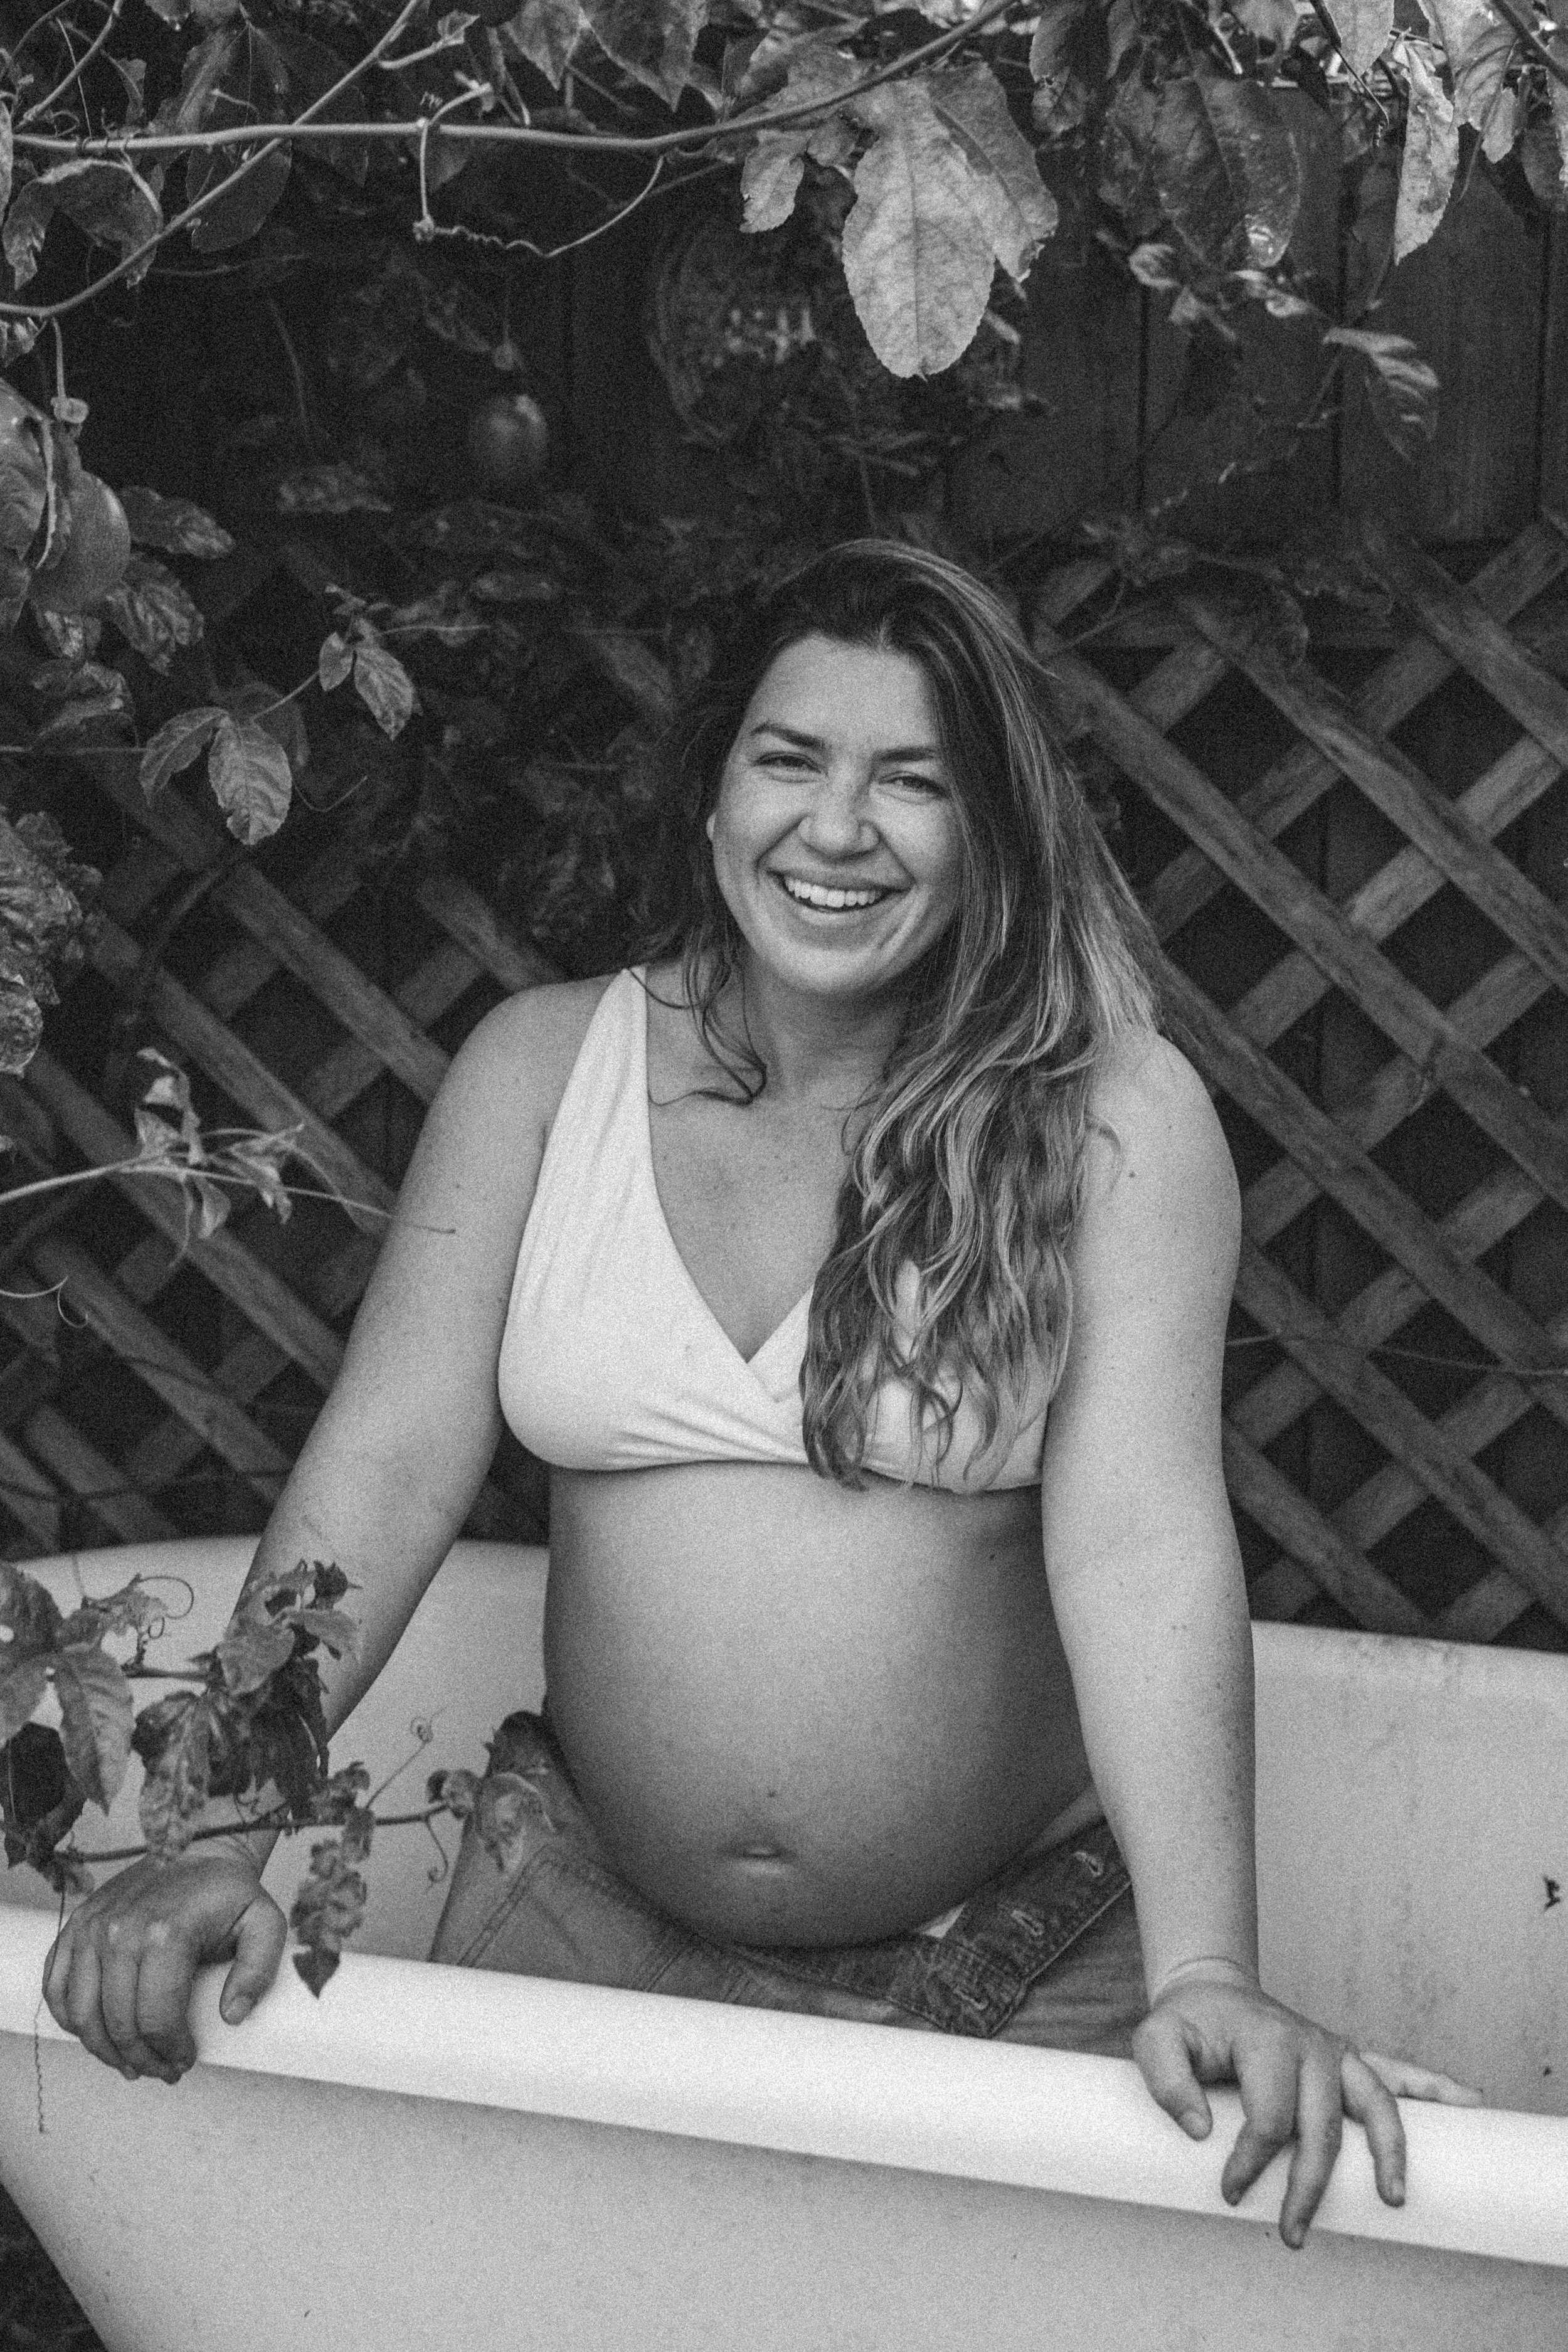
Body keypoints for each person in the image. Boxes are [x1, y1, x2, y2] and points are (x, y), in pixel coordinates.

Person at [42, 541, 1475, 2248]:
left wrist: (1210, 1969)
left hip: (1009, 1965)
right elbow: (386, 1463)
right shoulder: (539, 1067)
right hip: (572, 1929)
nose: (837, 827)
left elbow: (1145, 1547)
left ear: (995, 831)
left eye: (913, 781)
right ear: (715, 797)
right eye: (790, 759)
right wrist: (218, 1835)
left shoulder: (1109, 1117)